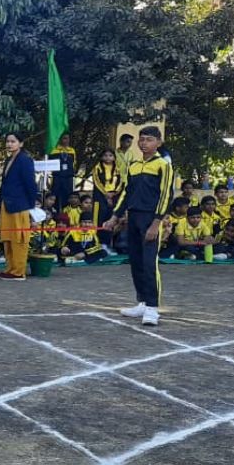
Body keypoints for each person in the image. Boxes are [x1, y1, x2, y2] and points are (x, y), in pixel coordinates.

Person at [102, 126, 175, 326]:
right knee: (136, 261)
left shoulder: (163, 165)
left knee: (150, 263)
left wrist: (156, 223)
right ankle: (142, 302)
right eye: (141, 139)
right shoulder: (133, 165)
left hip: (151, 219)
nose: (144, 143)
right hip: (133, 218)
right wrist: (115, 216)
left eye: (149, 139)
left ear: (158, 142)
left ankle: (152, 307)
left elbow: (166, 196)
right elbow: (126, 193)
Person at [0, 132, 38, 280]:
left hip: (20, 205)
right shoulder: (8, 160)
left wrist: (31, 205)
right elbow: (4, 184)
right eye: (8, 141)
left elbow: (30, 183)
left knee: (19, 239)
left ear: (21, 143)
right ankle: (10, 269)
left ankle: (19, 271)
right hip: (6, 204)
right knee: (7, 238)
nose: (9, 144)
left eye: (13, 141)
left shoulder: (25, 160)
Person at [91, 148, 122, 242]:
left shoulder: (117, 168)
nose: (108, 158)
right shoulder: (97, 167)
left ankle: (108, 241)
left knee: (111, 217)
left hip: (114, 195)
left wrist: (114, 193)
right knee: (99, 217)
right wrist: (106, 194)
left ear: (114, 157)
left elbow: (120, 182)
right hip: (100, 195)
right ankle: (97, 241)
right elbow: (97, 182)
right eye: (105, 155)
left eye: (110, 156)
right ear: (101, 157)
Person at [49, 134, 77, 211]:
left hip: (68, 178)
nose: (66, 140)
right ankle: (55, 212)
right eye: (64, 138)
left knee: (68, 197)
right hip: (57, 177)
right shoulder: (54, 150)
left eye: (68, 138)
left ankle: (66, 213)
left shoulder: (72, 150)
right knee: (55, 196)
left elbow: (74, 163)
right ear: (60, 139)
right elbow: (50, 164)